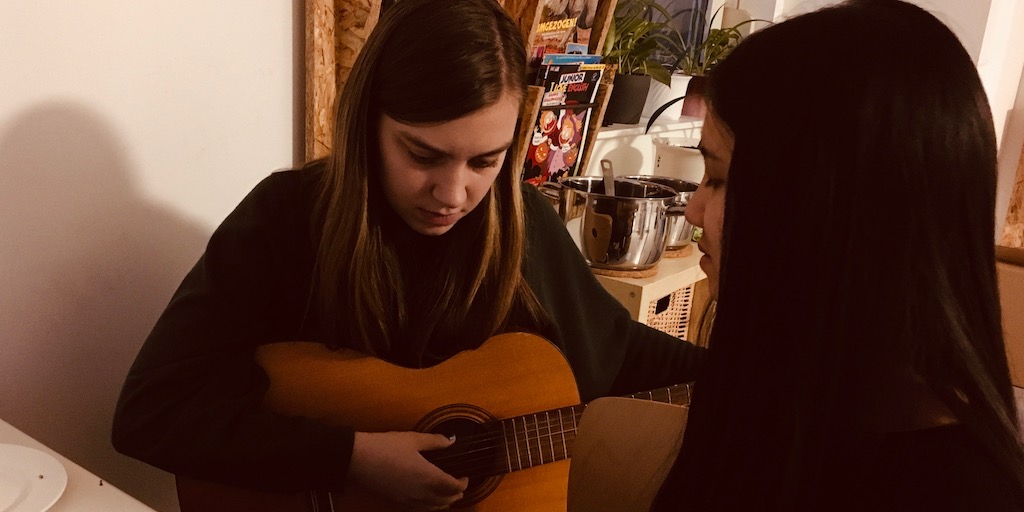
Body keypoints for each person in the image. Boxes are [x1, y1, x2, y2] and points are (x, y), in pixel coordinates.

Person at [110, 0, 704, 510]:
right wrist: (349, 457)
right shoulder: (284, 221)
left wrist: (739, 375)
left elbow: (618, 354)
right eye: (423, 155)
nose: (453, 195)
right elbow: (151, 411)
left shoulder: (521, 223)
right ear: (368, 122)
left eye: (485, 161)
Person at [651, 0, 1024, 510]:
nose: (693, 210)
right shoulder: (771, 392)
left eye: (716, 177)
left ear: (816, 211)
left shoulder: (957, 492)